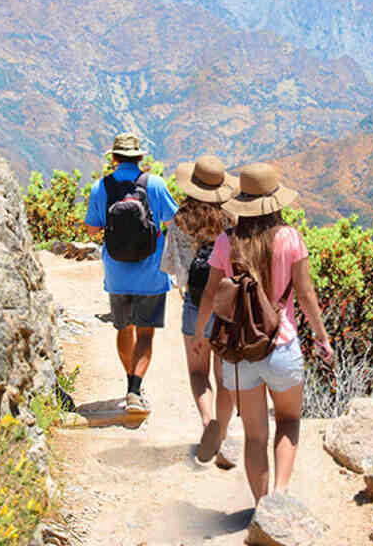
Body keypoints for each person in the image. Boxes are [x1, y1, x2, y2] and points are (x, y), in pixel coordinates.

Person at [196, 162, 334, 503]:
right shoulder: (290, 238)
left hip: (240, 352)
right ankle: (279, 495)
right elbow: (305, 295)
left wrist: (202, 336)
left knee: (254, 436)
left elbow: (211, 294)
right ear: (275, 202)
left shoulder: (226, 242)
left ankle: (261, 508)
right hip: (282, 347)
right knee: (288, 422)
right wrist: (322, 337)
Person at [84, 132, 179, 414]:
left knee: (123, 328)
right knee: (145, 334)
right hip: (151, 272)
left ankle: (130, 383)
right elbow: (174, 220)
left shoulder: (100, 187)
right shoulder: (156, 184)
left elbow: (91, 228)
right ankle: (135, 390)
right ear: (140, 157)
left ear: (113, 158)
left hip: (117, 273)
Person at [160, 155, 236, 462]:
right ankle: (224, 434)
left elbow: (169, 266)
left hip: (194, 302)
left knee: (197, 371)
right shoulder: (230, 220)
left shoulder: (180, 220)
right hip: (226, 308)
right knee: (224, 376)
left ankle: (207, 422)